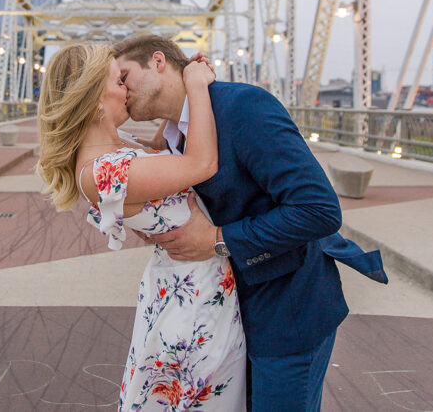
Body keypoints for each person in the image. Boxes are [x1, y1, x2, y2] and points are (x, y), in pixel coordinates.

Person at [113, 35, 388, 412]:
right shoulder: (176, 134)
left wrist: (217, 239)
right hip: (230, 316)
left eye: (124, 76)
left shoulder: (243, 107)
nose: (120, 90)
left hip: (287, 310)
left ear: (158, 62)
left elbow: (319, 209)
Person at [36, 42, 247, 411]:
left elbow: (161, 152)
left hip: (189, 287)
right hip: (194, 300)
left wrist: (175, 87)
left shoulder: (113, 149)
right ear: (95, 101)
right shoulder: (103, 171)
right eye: (118, 81)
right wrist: (195, 84)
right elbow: (201, 164)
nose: (126, 89)